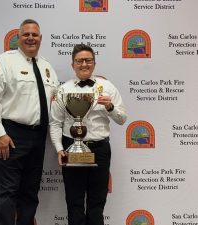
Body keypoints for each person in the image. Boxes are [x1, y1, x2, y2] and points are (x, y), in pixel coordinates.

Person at [0, 19, 58, 225]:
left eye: (35, 35)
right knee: (7, 192)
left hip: (38, 137)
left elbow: (54, 103)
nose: (31, 38)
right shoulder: (4, 61)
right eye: (26, 34)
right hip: (11, 135)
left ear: (40, 38)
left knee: (30, 192)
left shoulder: (47, 68)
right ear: (18, 37)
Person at [50, 43, 127, 225]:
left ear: (94, 63)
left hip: (100, 150)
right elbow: (54, 123)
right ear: (73, 65)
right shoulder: (63, 90)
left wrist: (110, 107)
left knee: (97, 203)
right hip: (72, 148)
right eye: (79, 61)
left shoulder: (107, 87)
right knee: (74, 203)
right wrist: (60, 149)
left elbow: (122, 119)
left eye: (88, 60)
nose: (84, 64)